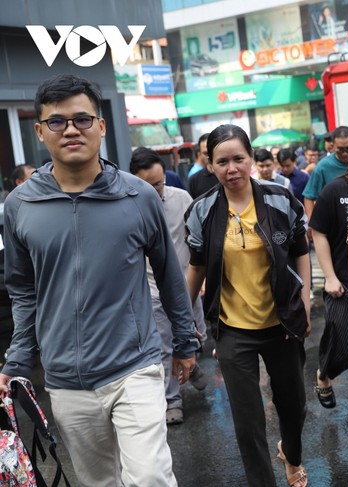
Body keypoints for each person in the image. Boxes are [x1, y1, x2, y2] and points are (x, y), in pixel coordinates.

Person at [0, 73, 199, 486]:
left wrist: (185, 340)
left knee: (150, 478)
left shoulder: (138, 196)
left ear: (102, 126)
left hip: (135, 366)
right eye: (57, 121)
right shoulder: (19, 205)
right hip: (65, 379)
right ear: (40, 131)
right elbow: (23, 290)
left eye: (82, 119)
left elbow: (168, 274)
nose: (71, 129)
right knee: (99, 482)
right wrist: (18, 357)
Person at [185, 124, 311, 487]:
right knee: (247, 420)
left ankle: (292, 452)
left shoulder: (280, 200)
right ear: (210, 165)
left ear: (251, 159)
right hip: (231, 329)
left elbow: (301, 254)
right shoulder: (202, 211)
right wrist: (183, 317)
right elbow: (196, 267)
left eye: (238, 159)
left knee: (294, 407)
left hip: (282, 323)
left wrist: (303, 303)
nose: (231, 168)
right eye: (221, 161)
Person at [130, 147, 209, 426]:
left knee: (195, 334)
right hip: (152, 288)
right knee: (164, 346)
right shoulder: (129, 208)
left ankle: (193, 362)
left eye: (160, 182)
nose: (157, 189)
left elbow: (198, 239)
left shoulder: (182, 198)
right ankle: (172, 401)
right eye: (149, 185)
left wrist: (203, 277)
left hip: (188, 283)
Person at [302, 125, 348, 220]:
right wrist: (311, 222)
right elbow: (309, 197)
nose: (345, 153)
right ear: (333, 146)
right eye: (340, 149)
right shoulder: (323, 167)